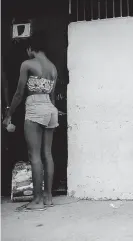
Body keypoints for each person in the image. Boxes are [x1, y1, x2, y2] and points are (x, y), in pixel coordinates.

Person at [2, 32, 58, 211]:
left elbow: (19, 93)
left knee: (34, 155)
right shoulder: (53, 68)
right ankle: (48, 197)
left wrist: (9, 112)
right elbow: (52, 97)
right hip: (50, 109)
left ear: (30, 49)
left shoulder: (27, 64)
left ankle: (37, 200)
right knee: (47, 154)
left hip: (35, 107)